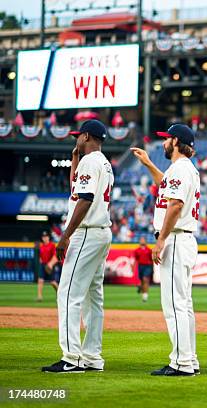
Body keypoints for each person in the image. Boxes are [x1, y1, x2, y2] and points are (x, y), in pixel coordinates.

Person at [42, 119, 114, 373]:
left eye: (77, 137)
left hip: (86, 233)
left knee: (69, 294)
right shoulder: (104, 163)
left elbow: (84, 199)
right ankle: (92, 356)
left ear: (86, 136)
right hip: (101, 232)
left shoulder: (90, 161)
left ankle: (71, 358)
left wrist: (65, 235)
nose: (76, 140)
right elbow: (77, 189)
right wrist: (74, 157)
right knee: (93, 298)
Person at [131, 123, 200, 376]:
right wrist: (149, 164)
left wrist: (161, 239)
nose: (164, 142)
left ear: (177, 142)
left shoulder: (181, 168)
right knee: (183, 304)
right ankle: (189, 359)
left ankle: (181, 363)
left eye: (167, 138)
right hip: (182, 238)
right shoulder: (180, 169)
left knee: (174, 305)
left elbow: (175, 205)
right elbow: (166, 186)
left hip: (175, 238)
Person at [36, 231, 60, 301]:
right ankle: (39, 296)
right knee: (40, 280)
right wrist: (40, 261)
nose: (45, 238)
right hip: (43, 264)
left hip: (50, 265)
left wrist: (51, 264)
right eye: (43, 237)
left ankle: (59, 294)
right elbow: (40, 256)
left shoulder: (52, 245)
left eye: (46, 236)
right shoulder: (41, 246)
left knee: (52, 282)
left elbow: (55, 255)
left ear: (49, 237)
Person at [133, 237, 153, 302]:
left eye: (143, 240)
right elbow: (135, 260)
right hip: (140, 266)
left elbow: (151, 259)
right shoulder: (137, 250)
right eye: (141, 240)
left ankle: (145, 296)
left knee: (145, 279)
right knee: (142, 280)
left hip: (147, 266)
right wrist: (133, 267)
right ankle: (140, 286)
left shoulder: (149, 250)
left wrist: (152, 269)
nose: (142, 241)